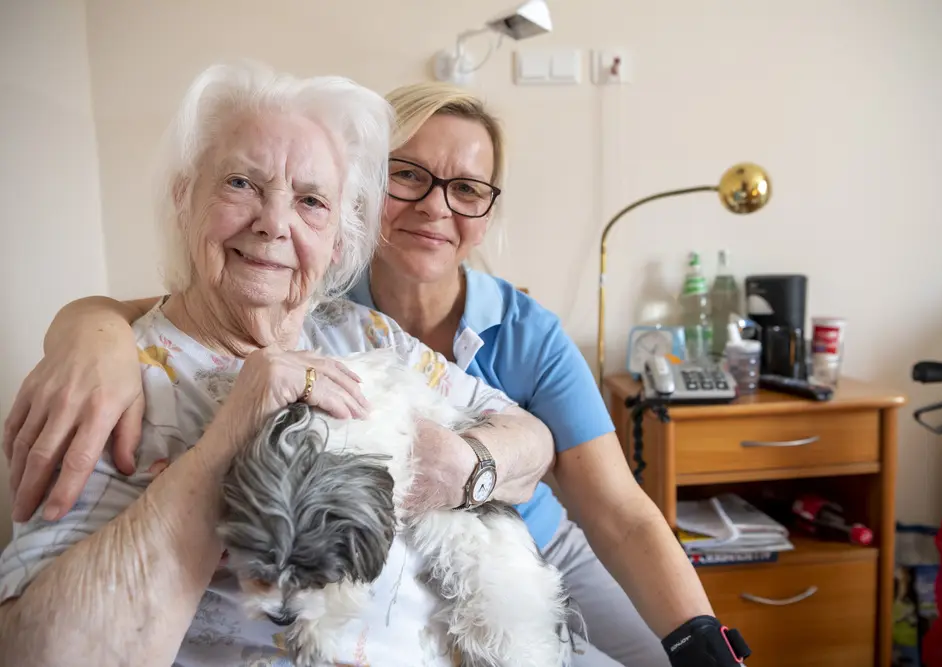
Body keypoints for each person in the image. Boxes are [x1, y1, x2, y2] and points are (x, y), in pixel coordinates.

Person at [3, 83, 718, 666]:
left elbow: (595, 493)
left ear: (339, 224)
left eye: (310, 199)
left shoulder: (374, 330)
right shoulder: (132, 372)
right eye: (242, 184)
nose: (275, 222)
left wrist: (464, 462)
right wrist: (97, 330)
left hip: (519, 563)